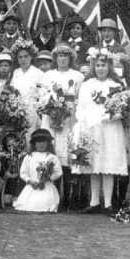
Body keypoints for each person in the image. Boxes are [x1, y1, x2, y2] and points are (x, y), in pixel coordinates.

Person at [73, 47, 129, 213]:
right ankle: (94, 201)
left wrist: (114, 115)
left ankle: (108, 203)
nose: (100, 68)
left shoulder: (117, 85)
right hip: (92, 128)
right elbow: (81, 106)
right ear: (93, 66)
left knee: (108, 165)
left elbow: (124, 107)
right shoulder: (87, 85)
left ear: (109, 66)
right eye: (97, 65)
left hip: (111, 129)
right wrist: (82, 123)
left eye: (103, 65)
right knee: (94, 165)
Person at [41, 44, 83, 208]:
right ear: (55, 59)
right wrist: (52, 109)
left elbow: (79, 97)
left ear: (71, 58)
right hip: (51, 118)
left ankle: (68, 198)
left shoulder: (78, 76)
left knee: (67, 153)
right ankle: (53, 194)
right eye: (60, 56)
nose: (63, 59)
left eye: (66, 56)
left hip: (69, 118)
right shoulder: (48, 75)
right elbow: (44, 96)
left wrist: (65, 109)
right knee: (53, 153)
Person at [13, 128, 62, 212]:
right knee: (30, 203)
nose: (41, 144)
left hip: (46, 185)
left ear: (48, 143)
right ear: (34, 144)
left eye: (44, 142)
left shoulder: (52, 157)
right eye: (38, 142)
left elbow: (58, 172)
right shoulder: (29, 157)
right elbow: (23, 173)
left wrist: (48, 178)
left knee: (45, 203)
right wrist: (30, 181)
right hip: (33, 185)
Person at [8, 39, 46, 138]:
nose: (23, 59)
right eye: (20, 57)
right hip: (17, 111)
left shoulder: (38, 73)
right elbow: (11, 91)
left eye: (26, 56)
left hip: (32, 110)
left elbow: (43, 95)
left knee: (30, 136)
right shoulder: (15, 73)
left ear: (31, 57)